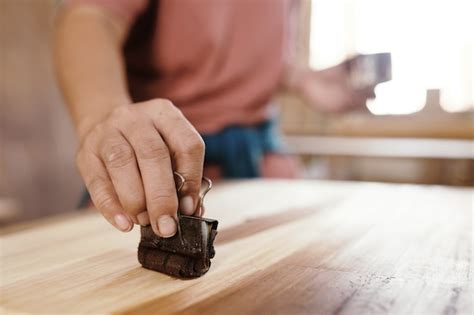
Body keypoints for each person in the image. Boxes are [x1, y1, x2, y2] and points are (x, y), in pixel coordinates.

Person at [54, 0, 374, 238]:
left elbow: (236, 54)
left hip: (268, 174)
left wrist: (300, 78)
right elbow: (90, 15)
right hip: (160, 179)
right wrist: (104, 117)